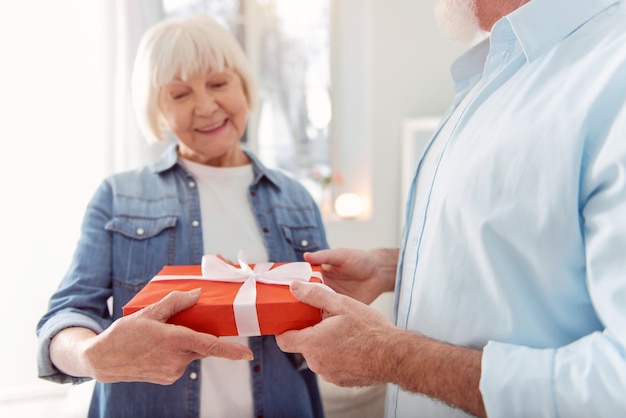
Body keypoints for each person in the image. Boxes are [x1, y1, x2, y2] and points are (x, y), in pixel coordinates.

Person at [275, 0, 626, 417]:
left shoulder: (611, 72)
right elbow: (522, 251)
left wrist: (389, 355)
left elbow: (615, 385)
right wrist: (391, 269)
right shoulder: (497, 71)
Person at [36, 14, 329, 418]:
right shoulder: (118, 196)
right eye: (179, 94)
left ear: (243, 85)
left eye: (218, 83)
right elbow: (67, 314)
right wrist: (90, 355)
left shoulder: (295, 197)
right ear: (157, 110)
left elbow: (326, 317)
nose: (206, 107)